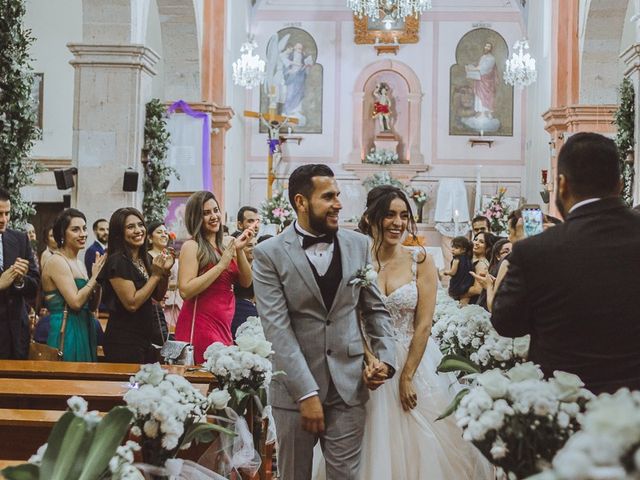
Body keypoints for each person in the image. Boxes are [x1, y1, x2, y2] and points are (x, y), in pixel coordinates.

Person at [252, 164, 396, 480]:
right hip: (293, 393)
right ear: (301, 202)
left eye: (338, 195)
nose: (338, 204)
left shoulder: (358, 245)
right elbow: (277, 329)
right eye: (328, 197)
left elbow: (374, 310)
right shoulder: (268, 254)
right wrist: (306, 393)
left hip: (348, 387)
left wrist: (385, 359)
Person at [355, 185, 493, 479]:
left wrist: (406, 376)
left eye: (404, 215)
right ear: (372, 218)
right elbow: (350, 317)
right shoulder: (357, 260)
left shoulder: (420, 260)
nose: (398, 222)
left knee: (425, 447)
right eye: (390, 215)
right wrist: (369, 359)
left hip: (414, 360)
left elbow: (424, 323)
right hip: (367, 364)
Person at [492, 132, 640, 394]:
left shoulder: (535, 251)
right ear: (619, 185)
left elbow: (506, 323)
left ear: (561, 185)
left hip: (567, 411)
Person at [175, 191, 253, 364]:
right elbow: (185, 291)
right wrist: (220, 265)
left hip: (224, 323)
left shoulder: (226, 243)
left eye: (215, 210)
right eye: (206, 213)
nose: (213, 216)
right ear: (196, 218)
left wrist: (239, 250)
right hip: (201, 325)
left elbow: (246, 282)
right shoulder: (192, 246)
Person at [99, 208, 173, 363]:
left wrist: (165, 272)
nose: (138, 230)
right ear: (119, 233)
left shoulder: (144, 258)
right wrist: (156, 275)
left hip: (144, 339)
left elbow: (157, 296)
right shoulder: (117, 261)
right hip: (123, 341)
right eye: (130, 227)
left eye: (140, 225)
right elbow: (131, 303)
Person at [41, 208, 104, 361]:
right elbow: (75, 303)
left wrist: (99, 280)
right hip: (66, 328)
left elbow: (92, 306)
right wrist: (94, 277)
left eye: (84, 228)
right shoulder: (56, 261)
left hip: (84, 325)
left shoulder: (80, 264)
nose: (83, 234)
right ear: (62, 234)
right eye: (75, 229)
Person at [0, 188, 40, 359]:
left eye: (7, 213)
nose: (4, 220)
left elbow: (35, 284)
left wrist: (19, 281)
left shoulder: (19, 239)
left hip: (16, 330)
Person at [146, 221, 173, 344]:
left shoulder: (167, 256)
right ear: (150, 239)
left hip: (164, 303)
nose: (164, 235)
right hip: (151, 307)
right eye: (159, 232)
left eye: (166, 232)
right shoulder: (147, 258)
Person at [465, 42, 498, 119]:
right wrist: (472, 69)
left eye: (488, 47)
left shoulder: (491, 59)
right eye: (485, 46)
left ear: (491, 49)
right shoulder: (483, 57)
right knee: (479, 96)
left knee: (487, 96)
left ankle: (487, 112)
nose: (486, 48)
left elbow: (484, 68)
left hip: (487, 81)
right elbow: (479, 66)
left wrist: (471, 68)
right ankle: (480, 112)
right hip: (480, 80)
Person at [441, 236, 474, 304]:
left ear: (464, 250)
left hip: (458, 284)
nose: (453, 249)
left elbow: (453, 272)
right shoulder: (468, 259)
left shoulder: (456, 260)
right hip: (467, 283)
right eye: (452, 247)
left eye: (456, 248)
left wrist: (446, 272)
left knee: (454, 300)